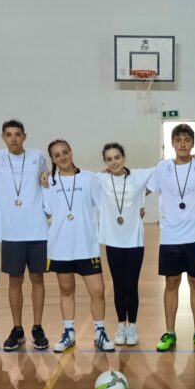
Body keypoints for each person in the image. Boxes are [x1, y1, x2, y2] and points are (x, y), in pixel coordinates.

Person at [146, 124, 195, 352]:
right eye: (178, 140)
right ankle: (170, 332)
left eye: (187, 139)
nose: (182, 144)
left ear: (193, 143)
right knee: (171, 283)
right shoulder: (162, 168)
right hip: (170, 237)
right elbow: (143, 188)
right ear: (172, 143)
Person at [0, 120, 50, 352]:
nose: (13, 138)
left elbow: (47, 175)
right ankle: (17, 328)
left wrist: (47, 173)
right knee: (15, 281)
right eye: (9, 134)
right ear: (3, 137)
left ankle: (37, 328)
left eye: (17, 134)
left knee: (38, 278)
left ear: (24, 136)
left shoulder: (37, 156)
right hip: (11, 230)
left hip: (37, 229)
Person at [41, 140, 115, 353]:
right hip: (60, 247)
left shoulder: (89, 178)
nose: (62, 157)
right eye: (57, 155)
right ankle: (69, 334)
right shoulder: (49, 183)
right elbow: (47, 212)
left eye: (65, 152)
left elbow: (105, 203)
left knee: (98, 291)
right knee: (66, 290)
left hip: (86, 246)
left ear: (71, 152)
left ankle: (100, 334)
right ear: (52, 159)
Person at [97, 143, 154, 346]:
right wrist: (46, 174)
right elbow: (76, 176)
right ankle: (121, 326)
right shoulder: (101, 179)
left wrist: (141, 198)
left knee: (131, 285)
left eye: (117, 157)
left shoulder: (138, 176)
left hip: (134, 241)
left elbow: (164, 168)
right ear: (105, 162)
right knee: (118, 285)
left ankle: (133, 327)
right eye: (109, 159)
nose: (114, 162)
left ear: (124, 158)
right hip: (113, 241)